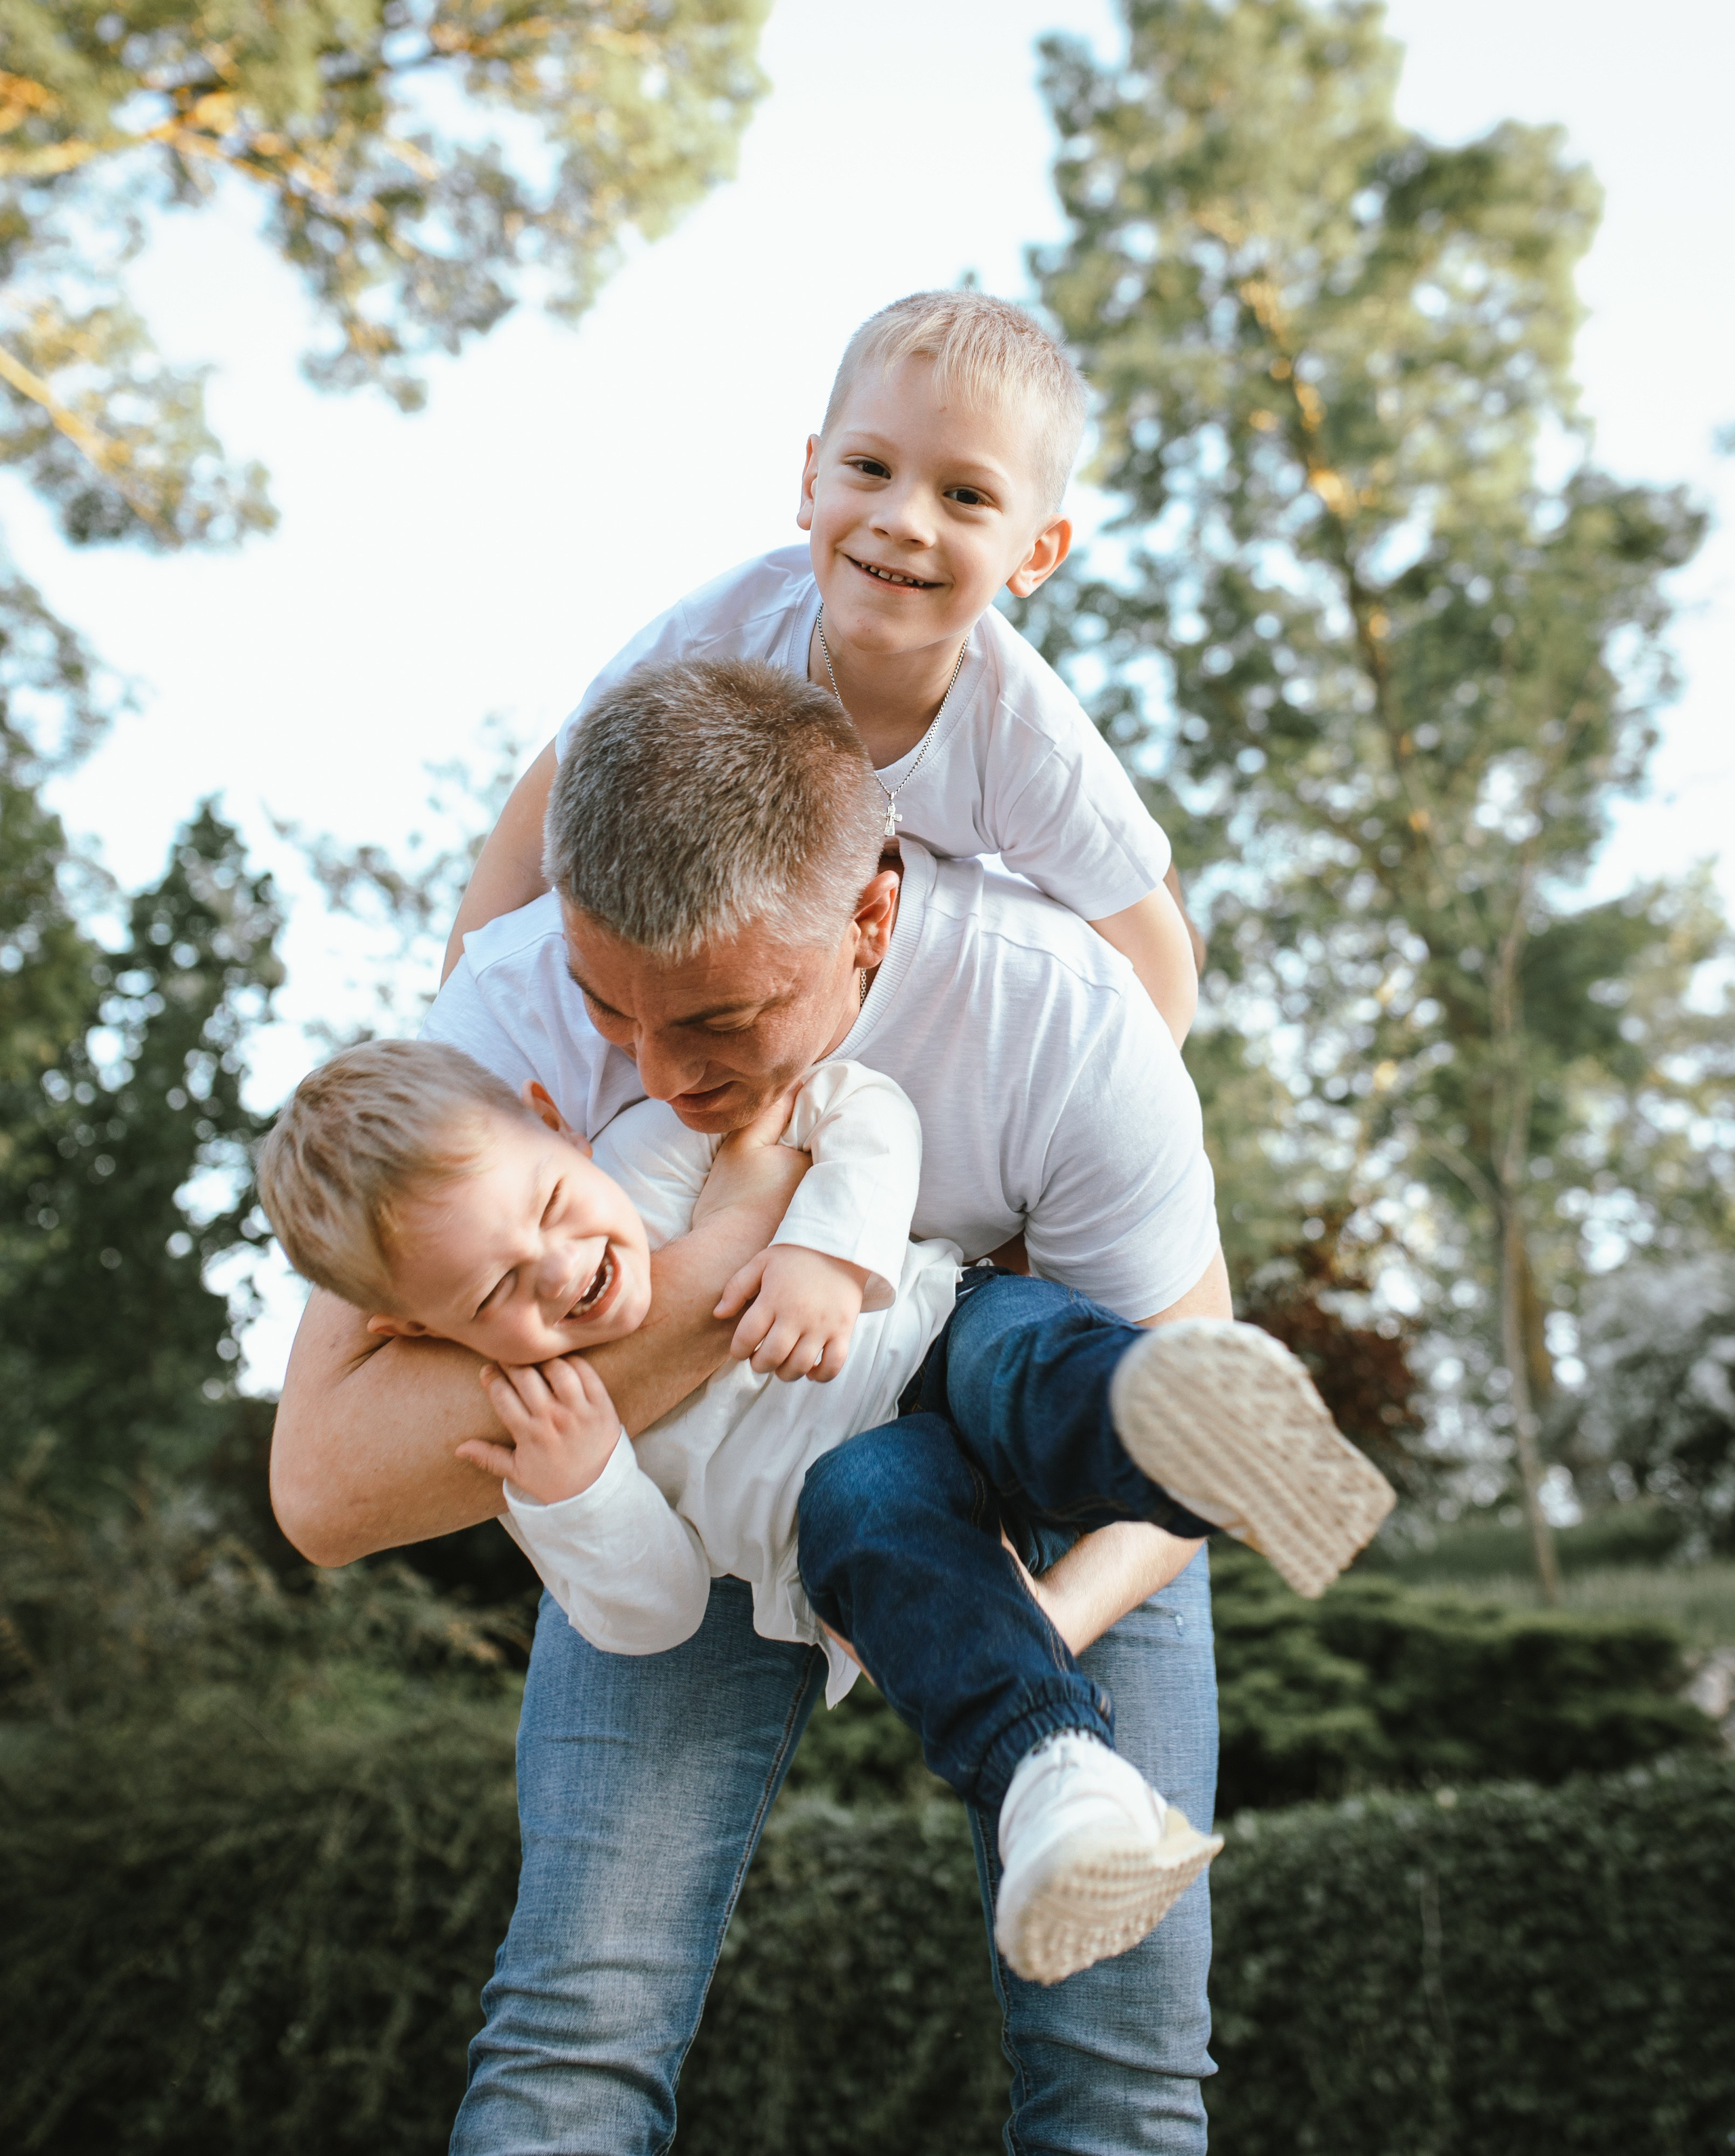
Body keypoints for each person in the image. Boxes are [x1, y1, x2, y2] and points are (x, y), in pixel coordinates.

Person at [269, 657, 1238, 2152]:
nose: (659, 1074)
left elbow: (1182, 1378)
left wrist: (994, 1639)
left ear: (867, 919)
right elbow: (330, 1491)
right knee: (574, 2022)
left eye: (717, 1019)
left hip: (1001, 1408)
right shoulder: (503, 1030)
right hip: (736, 1520)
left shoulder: (1058, 1017)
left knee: (1120, 2043)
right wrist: (714, 1270)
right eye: (615, 1015)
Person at [257, 1022, 1389, 1985]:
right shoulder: (537, 1436)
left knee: (1019, 1368)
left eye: (550, 1204)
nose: (557, 1268)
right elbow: (650, 1613)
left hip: (941, 1333)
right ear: (418, 1334)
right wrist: (587, 1488)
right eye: (498, 1288)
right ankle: (1065, 1788)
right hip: (862, 1525)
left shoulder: (663, 1143)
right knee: (869, 1513)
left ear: (556, 1124)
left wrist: (827, 1253)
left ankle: (1208, 1436)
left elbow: (861, 1104)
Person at [442, 287, 1204, 1044]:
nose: (902, 520)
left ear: (1034, 553)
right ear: (812, 481)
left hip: (905, 994)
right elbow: (540, 823)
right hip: (734, 967)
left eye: (964, 495)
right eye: (870, 468)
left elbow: (1163, 980)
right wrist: (450, 1038)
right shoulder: (716, 638)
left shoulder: (1028, 743)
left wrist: (1093, 1125)